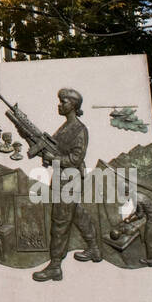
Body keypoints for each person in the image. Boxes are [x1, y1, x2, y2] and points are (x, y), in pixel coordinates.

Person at [31, 88, 101, 282]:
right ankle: (94, 249)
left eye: (63, 102)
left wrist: (55, 158)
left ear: (74, 105)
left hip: (69, 180)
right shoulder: (63, 128)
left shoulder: (79, 129)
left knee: (60, 222)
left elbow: (76, 157)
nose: (59, 105)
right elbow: (57, 153)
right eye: (60, 101)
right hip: (63, 178)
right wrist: (48, 158)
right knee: (77, 213)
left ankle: (55, 266)